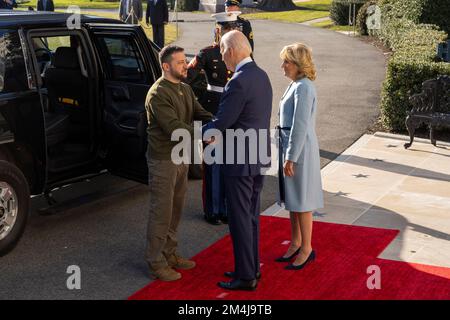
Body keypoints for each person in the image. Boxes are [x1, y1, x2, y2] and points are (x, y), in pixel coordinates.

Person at [202, 30, 272, 291]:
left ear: (231, 51)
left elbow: (223, 121)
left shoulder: (238, 81)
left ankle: (246, 276)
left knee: (240, 218)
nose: (221, 57)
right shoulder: (261, 75)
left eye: (222, 51)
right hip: (257, 157)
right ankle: (251, 267)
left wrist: (202, 132)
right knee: (251, 217)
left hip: (240, 160)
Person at [145, 45, 213, 281]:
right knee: (161, 212)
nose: (186, 65)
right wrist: (205, 134)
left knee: (176, 210)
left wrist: (216, 124)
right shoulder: (158, 94)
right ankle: (155, 262)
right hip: (163, 159)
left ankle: (170, 254)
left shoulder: (184, 88)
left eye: (185, 61)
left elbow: (200, 112)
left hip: (181, 157)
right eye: (181, 62)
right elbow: (174, 128)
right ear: (166, 66)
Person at [186, 11, 241, 225]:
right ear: (218, 31)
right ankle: (212, 209)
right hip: (212, 109)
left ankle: (225, 208)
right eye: (226, 29)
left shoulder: (241, 52)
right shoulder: (207, 53)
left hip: (233, 108)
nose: (229, 32)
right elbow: (187, 77)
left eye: (232, 28)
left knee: (228, 161)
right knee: (212, 162)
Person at [277, 43, 324, 270]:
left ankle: (307, 248)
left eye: (286, 61)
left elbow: (300, 125)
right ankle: (295, 243)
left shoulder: (303, 87)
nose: (283, 66)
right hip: (291, 147)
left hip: (299, 149)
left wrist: (290, 157)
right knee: (293, 199)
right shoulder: (295, 84)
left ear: (297, 64)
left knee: (302, 202)